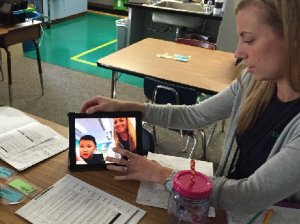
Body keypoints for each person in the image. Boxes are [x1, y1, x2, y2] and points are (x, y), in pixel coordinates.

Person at [80, 0, 300, 214]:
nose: (238, 53)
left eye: (249, 40)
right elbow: (194, 114)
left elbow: (250, 195)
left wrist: (163, 175)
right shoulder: (254, 82)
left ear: (293, 36)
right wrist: (126, 106)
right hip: (225, 205)